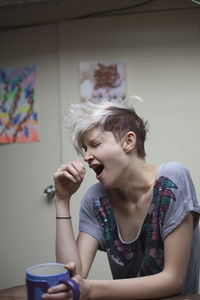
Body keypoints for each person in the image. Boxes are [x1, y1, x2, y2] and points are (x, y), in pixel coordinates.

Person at [42, 98, 200, 300]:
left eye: (95, 144)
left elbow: (173, 279)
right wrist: (62, 200)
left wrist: (91, 290)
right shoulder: (96, 200)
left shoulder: (171, 179)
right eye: (85, 149)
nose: (87, 157)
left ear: (128, 141)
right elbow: (74, 277)